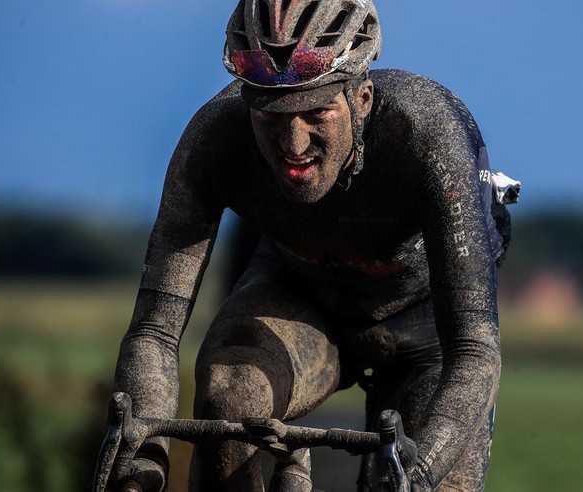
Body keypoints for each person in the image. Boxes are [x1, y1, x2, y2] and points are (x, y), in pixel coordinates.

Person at [98, 0, 519, 490]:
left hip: (428, 330)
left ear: (361, 99)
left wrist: (420, 476)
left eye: (316, 112)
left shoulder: (427, 132)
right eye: (270, 120)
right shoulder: (213, 140)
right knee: (228, 398)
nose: (293, 144)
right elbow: (154, 334)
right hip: (301, 296)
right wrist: (140, 466)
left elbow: (474, 351)